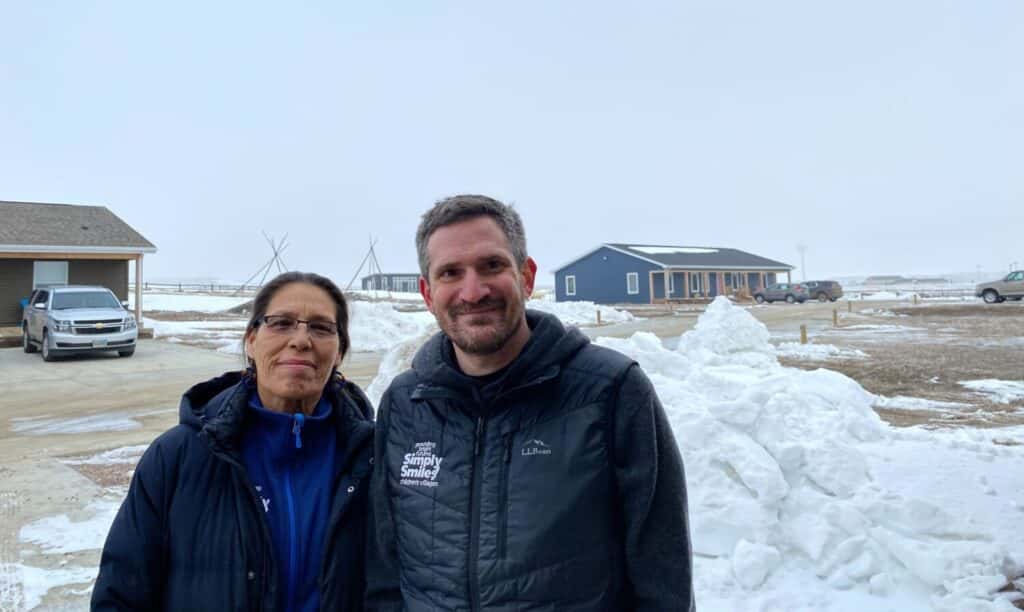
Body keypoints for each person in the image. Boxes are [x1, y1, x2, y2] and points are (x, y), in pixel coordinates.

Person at [366, 195, 694, 611]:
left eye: (492, 266)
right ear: (428, 293)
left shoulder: (610, 392)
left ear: (526, 276)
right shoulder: (404, 404)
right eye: (451, 273)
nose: (473, 291)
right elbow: (384, 569)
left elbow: (661, 577)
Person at [92, 272, 374, 612]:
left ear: (340, 350)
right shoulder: (178, 456)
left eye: (321, 327)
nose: (301, 340)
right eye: (281, 323)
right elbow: (121, 595)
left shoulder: (371, 460)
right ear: (251, 340)